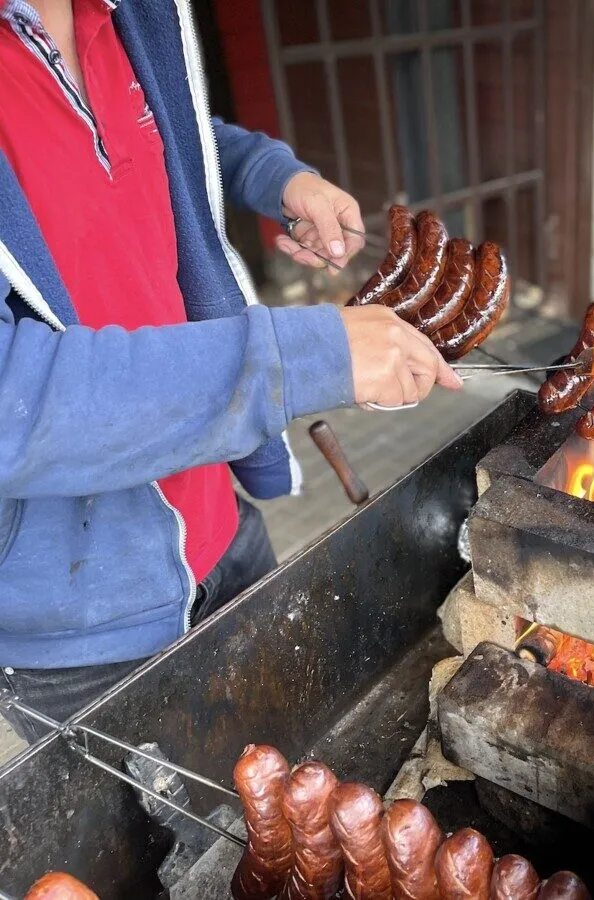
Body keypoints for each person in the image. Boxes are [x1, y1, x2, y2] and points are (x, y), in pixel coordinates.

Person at [0, 0, 462, 740]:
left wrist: (275, 177)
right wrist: (303, 356)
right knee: (204, 853)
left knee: (308, 771)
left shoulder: (126, 13)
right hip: (80, 622)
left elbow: (168, 134)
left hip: (221, 516)